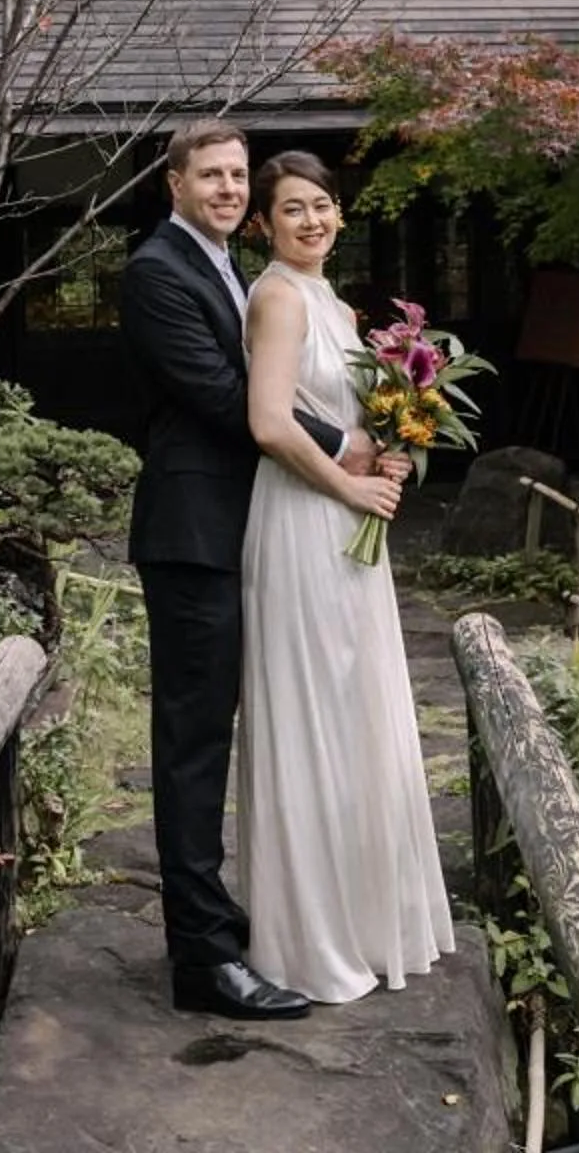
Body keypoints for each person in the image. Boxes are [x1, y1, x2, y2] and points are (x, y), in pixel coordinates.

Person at [121, 119, 406, 1020]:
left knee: (261, 725)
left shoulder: (229, 270)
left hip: (253, 531)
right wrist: (343, 446)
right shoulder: (156, 272)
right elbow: (223, 392)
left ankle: (229, 919)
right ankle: (203, 959)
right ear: (174, 183)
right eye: (210, 174)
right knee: (196, 743)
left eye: (237, 175)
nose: (227, 188)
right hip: (193, 534)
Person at [237, 149, 455, 1002]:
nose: (312, 220)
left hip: (349, 516)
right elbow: (267, 422)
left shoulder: (332, 300)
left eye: (322, 204)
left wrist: (394, 451)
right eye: (292, 209)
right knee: (315, 708)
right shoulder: (279, 298)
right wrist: (351, 483)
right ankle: (308, 937)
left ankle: (368, 920)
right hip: (298, 518)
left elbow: (349, 419)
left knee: (356, 702)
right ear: (263, 224)